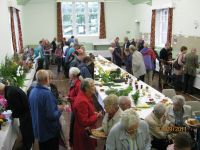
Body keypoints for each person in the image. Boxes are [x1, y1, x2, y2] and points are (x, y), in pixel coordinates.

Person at [29, 70, 64, 150]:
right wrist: (60, 110)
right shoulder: (47, 94)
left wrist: (54, 107)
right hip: (49, 131)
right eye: (49, 78)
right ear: (46, 80)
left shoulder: (33, 91)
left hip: (39, 129)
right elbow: (52, 115)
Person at [0, 83, 34, 150]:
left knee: (26, 130)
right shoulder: (9, 89)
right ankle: (27, 142)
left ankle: (27, 146)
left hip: (25, 113)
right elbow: (13, 104)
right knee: (25, 129)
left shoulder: (10, 93)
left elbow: (18, 109)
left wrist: (10, 115)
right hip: (25, 111)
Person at [73, 78, 102, 150]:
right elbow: (84, 121)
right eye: (92, 86)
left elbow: (86, 112)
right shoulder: (82, 101)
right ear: (86, 88)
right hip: (84, 132)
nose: (94, 87)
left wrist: (93, 113)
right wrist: (96, 116)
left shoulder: (85, 96)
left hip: (86, 130)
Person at [68, 67, 82, 146]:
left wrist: (70, 98)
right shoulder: (73, 81)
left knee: (73, 123)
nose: (68, 75)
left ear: (73, 75)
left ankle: (72, 141)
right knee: (72, 123)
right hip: (73, 105)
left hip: (76, 107)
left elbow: (79, 97)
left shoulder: (78, 84)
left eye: (70, 74)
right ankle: (72, 140)